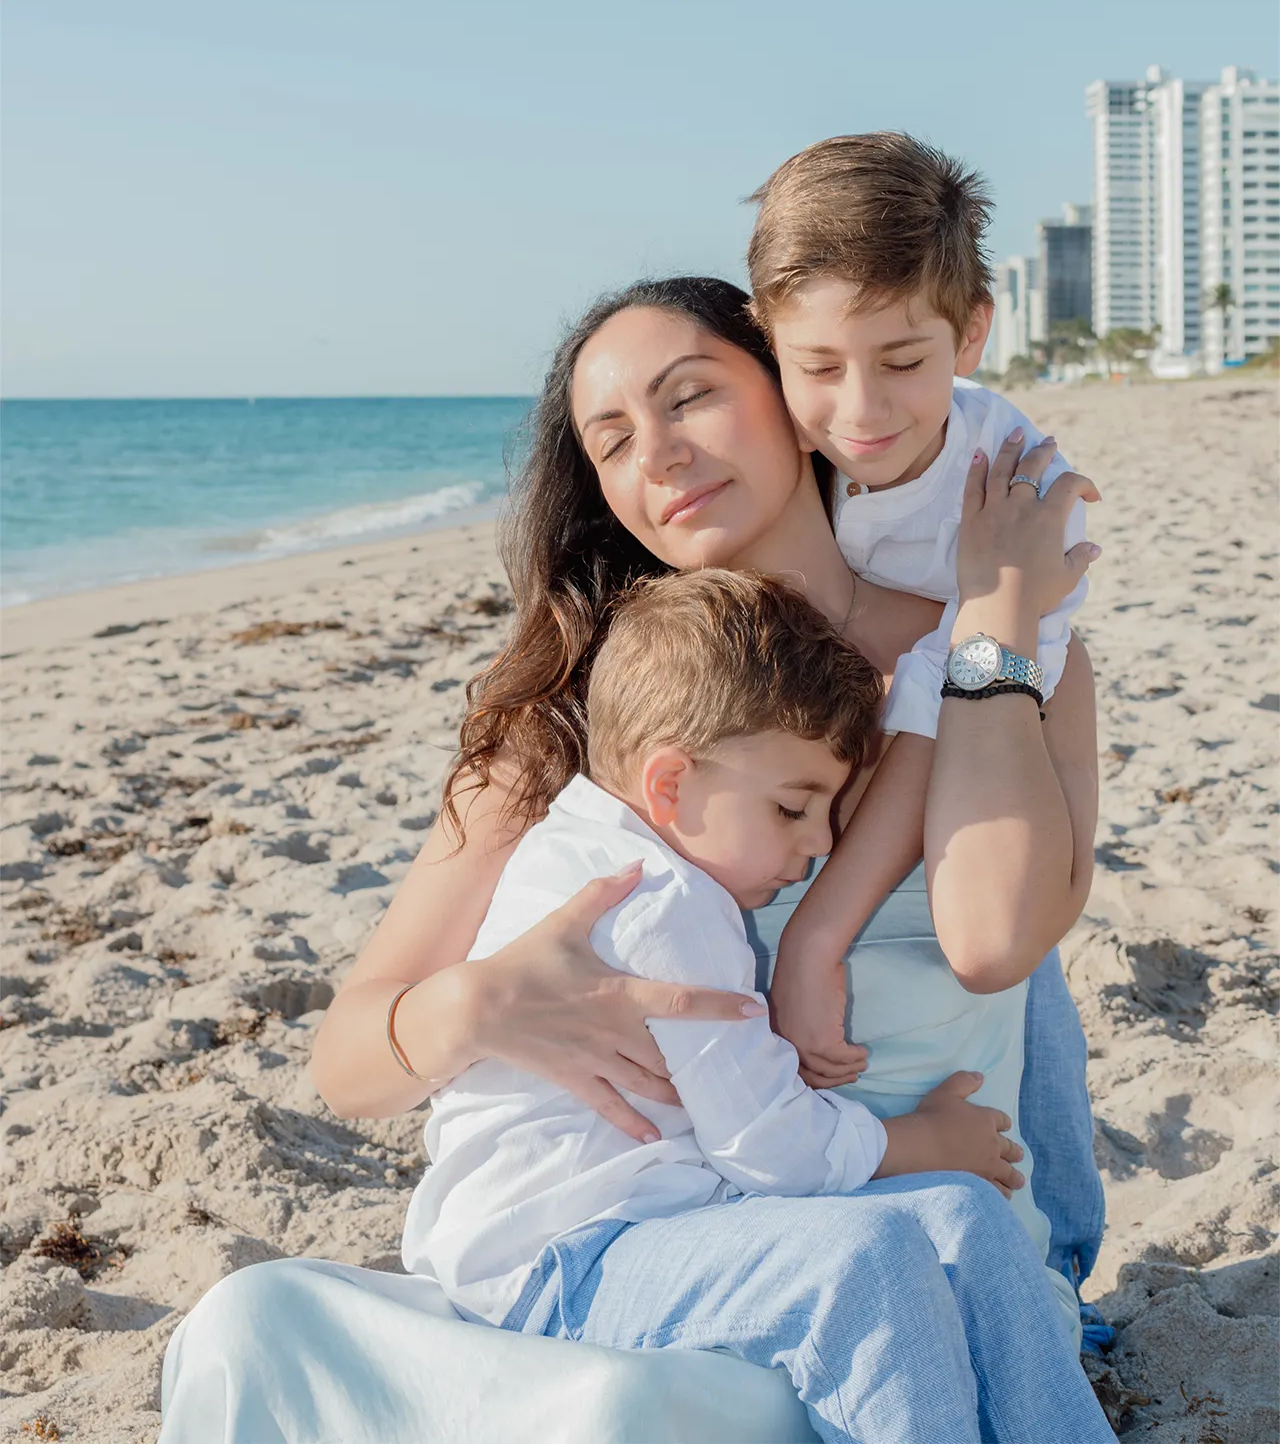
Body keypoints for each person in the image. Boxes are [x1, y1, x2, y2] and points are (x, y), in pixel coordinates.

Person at [160, 276, 1107, 1444]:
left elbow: (997, 941)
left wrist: (991, 627)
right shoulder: (581, 724)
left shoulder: (989, 651)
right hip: (671, 1251)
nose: (657, 454)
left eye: (690, 398)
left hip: (936, 1258)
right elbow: (351, 1064)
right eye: (612, 439)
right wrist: (477, 1006)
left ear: (789, 391)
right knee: (254, 1325)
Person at [404, 567, 1113, 1444]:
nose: (817, 845)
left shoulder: (622, 852)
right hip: (562, 1264)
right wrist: (918, 1143)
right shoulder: (659, 901)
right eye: (792, 808)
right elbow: (771, 1149)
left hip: (662, 1226)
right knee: (867, 1258)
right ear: (669, 784)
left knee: (969, 1220)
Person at [744, 133, 1107, 1309]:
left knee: (1010, 956)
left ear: (970, 333)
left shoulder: (1002, 484)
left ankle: (1056, 1251)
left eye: (901, 360)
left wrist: (815, 939)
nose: (858, 411)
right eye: (816, 367)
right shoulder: (784, 449)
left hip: (974, 750)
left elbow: (935, 715)